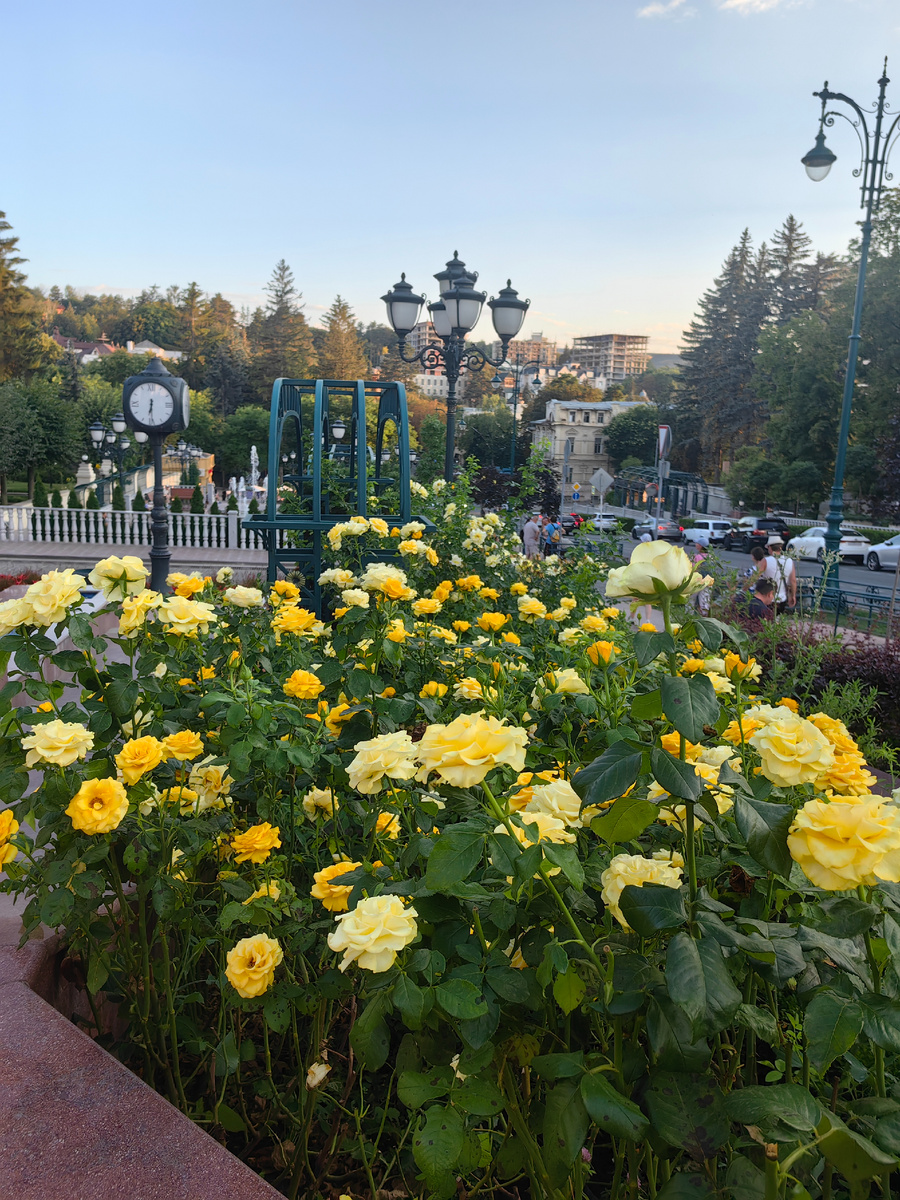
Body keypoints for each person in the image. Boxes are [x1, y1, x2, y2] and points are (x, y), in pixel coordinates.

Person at [761, 536, 796, 614]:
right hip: (781, 598)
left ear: (770, 547)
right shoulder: (789, 561)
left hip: (767, 598)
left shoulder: (766, 561)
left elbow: (755, 577)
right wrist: (793, 595)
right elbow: (793, 581)